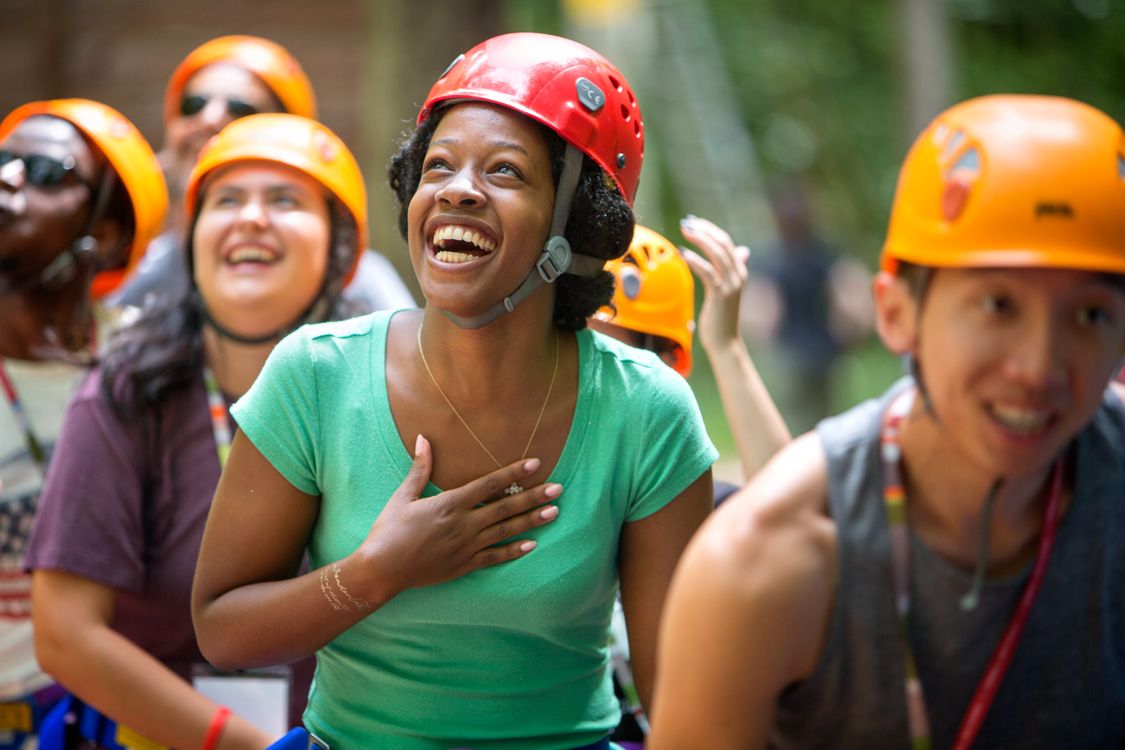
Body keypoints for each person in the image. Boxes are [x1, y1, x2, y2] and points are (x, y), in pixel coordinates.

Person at [192, 32, 717, 749]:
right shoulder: (315, 375)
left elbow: (683, 706)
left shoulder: (645, 413)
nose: (457, 189)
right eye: (437, 165)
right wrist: (377, 573)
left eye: (505, 171)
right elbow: (222, 629)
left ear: (575, 225)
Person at [649, 94, 1125, 749]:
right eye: (996, 304)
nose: (1038, 367)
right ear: (897, 312)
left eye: (1090, 315)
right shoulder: (764, 563)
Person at [26, 113, 370, 750]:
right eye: (228, 199)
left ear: (339, 250)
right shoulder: (124, 393)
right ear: (192, 241)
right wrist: (246, 746)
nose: (252, 218)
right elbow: (65, 632)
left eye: (285, 200)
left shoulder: (386, 391)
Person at [0, 98, 166, 748]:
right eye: (4, 161)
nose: (8, 179)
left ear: (110, 233)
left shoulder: (154, 369)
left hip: (121, 716)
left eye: (44, 172)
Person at [111, 34, 414, 314]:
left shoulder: (360, 282)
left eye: (241, 109)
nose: (210, 118)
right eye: (193, 104)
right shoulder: (141, 269)